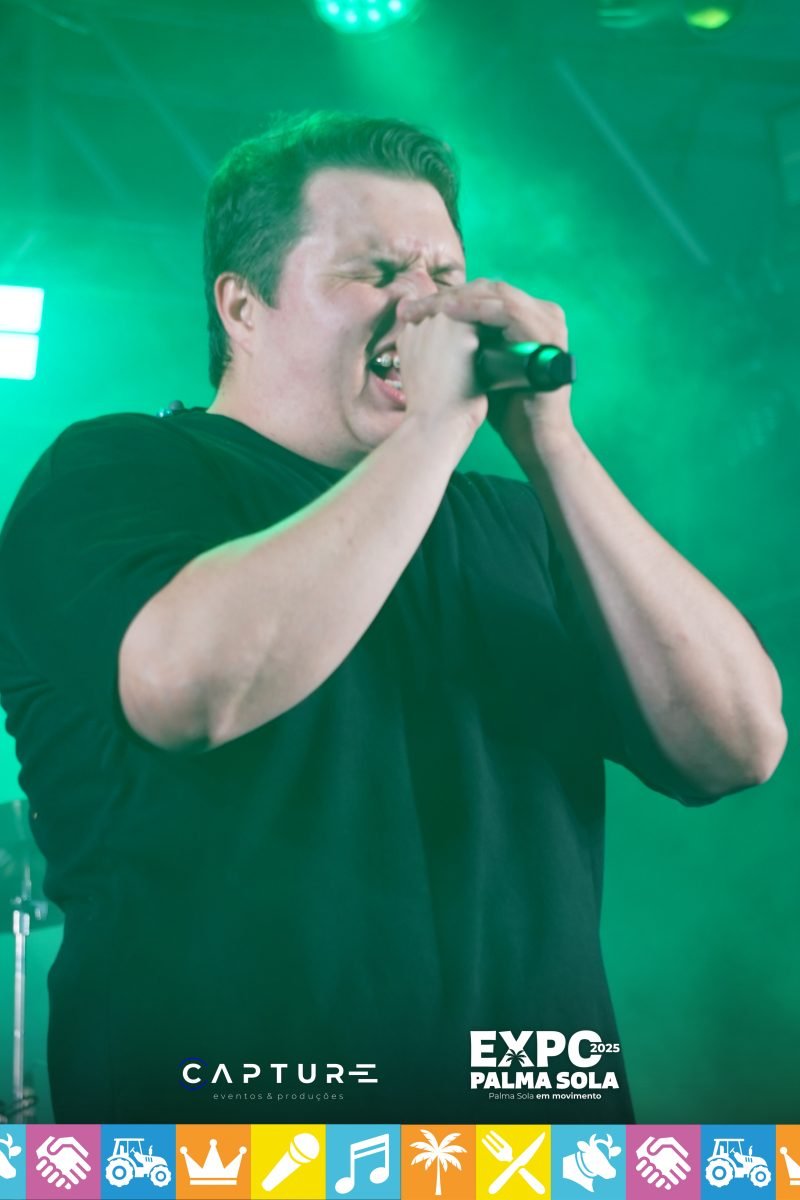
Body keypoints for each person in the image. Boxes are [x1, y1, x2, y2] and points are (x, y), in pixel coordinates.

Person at [0, 112, 786, 1125]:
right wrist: (434, 432)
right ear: (242, 306)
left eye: (444, 274)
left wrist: (549, 443)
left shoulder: (515, 520)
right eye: (375, 273)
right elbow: (189, 690)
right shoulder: (118, 472)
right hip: (237, 1146)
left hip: (533, 1155)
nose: (424, 305)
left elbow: (738, 744)